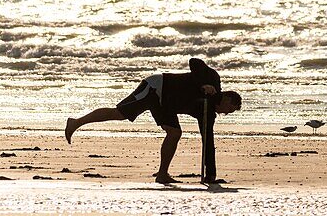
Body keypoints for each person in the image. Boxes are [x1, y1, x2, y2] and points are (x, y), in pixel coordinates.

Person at [64, 58, 241, 184]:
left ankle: (162, 174)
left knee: (174, 132)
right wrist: (203, 84)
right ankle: (76, 122)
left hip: (167, 104)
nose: (225, 114)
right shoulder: (213, 79)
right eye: (229, 110)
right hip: (156, 87)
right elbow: (194, 62)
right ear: (227, 99)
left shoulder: (208, 113)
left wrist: (210, 175)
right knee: (120, 113)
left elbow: (207, 142)